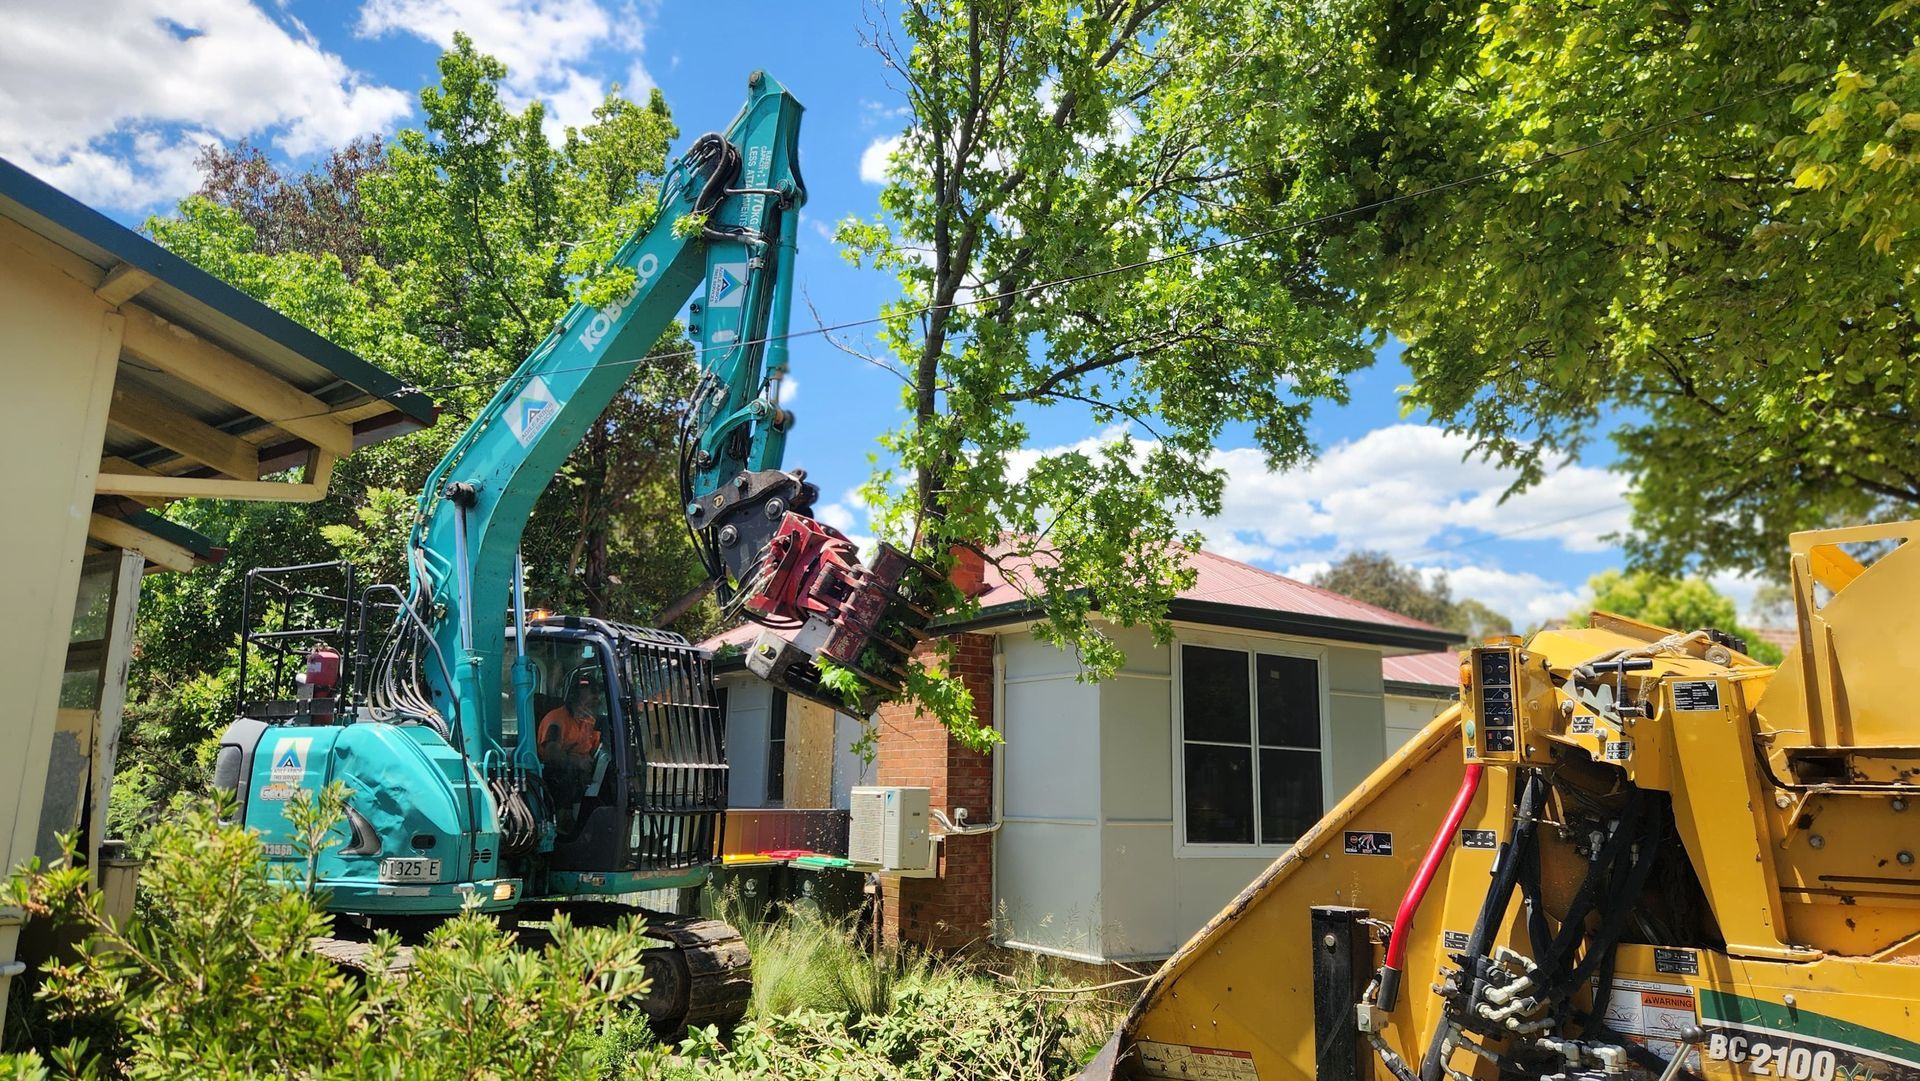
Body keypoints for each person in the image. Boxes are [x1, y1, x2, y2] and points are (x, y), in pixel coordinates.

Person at [539, 676, 603, 806]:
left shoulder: (591, 721)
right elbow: (552, 755)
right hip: (557, 779)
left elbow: (596, 750)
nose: (596, 699)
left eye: (597, 695)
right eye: (591, 695)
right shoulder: (556, 720)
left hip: (584, 778)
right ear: (574, 698)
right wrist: (577, 762)